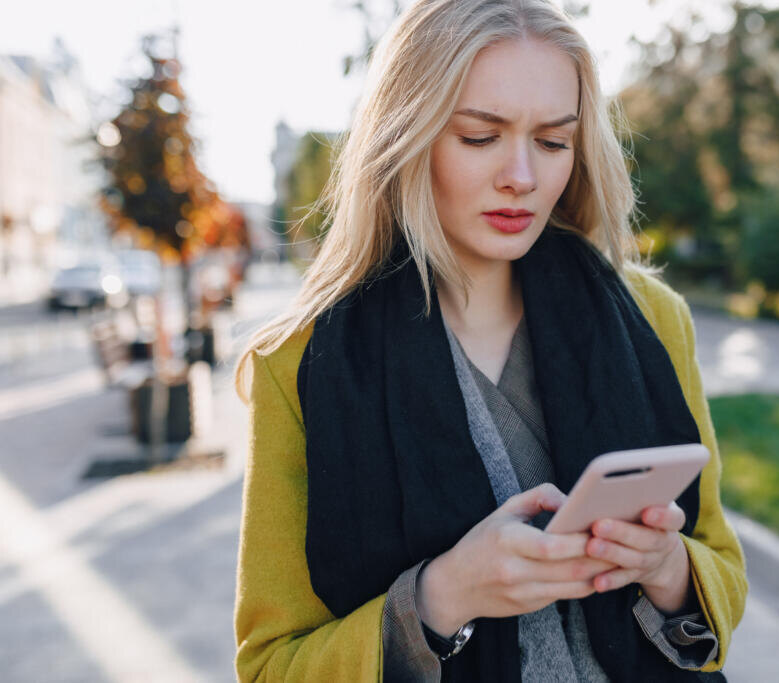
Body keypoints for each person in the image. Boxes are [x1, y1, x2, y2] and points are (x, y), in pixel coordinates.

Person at [233, 1, 747, 680]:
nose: (523, 177)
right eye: (481, 136)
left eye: (554, 141)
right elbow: (273, 665)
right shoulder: (298, 363)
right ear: (405, 135)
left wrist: (666, 565)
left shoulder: (653, 318)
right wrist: (443, 596)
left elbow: (722, 575)